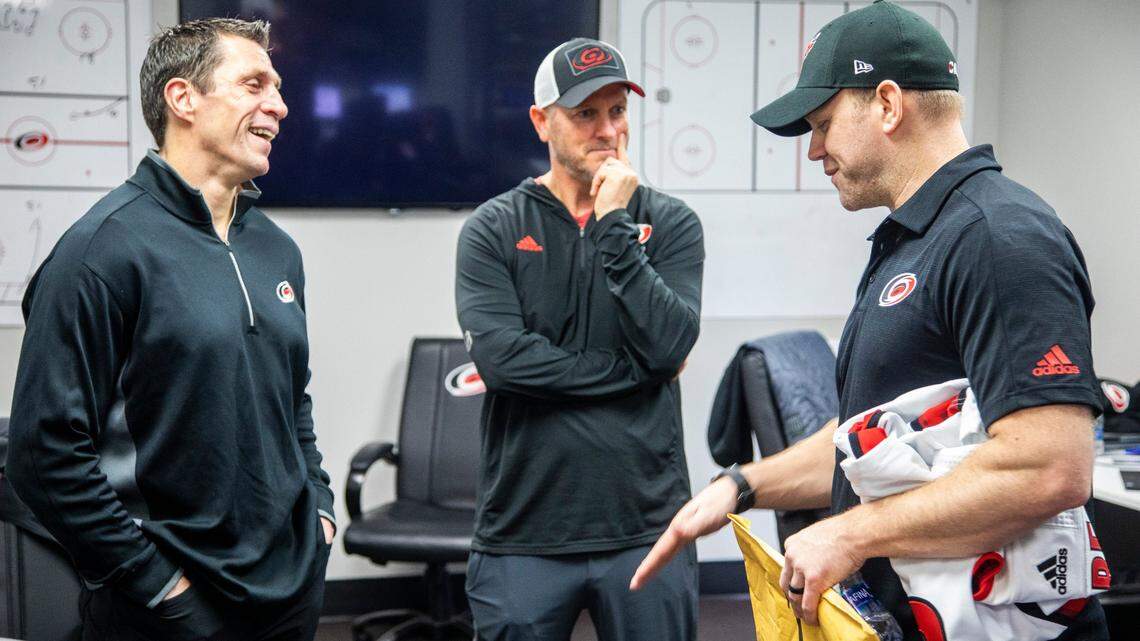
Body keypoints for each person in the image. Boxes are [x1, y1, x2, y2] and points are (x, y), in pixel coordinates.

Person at [629, 2, 1108, 640]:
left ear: (886, 104)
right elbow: (868, 435)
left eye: (823, 125)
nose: (814, 150)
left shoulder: (998, 237)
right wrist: (740, 487)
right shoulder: (916, 239)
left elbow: (1049, 467)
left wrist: (850, 533)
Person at [6, 18, 335, 641]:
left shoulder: (276, 250)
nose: (280, 105)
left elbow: (292, 399)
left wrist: (318, 509)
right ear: (183, 98)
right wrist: (155, 583)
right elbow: (43, 454)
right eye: (254, 85)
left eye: (278, 87)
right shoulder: (100, 251)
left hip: (290, 591)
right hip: (172, 603)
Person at [455, 37, 705, 641]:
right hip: (524, 531)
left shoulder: (670, 223)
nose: (608, 130)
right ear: (542, 122)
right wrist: (635, 371)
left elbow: (669, 344)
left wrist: (615, 223)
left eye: (617, 111)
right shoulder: (493, 228)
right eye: (585, 113)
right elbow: (504, 362)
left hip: (647, 527)